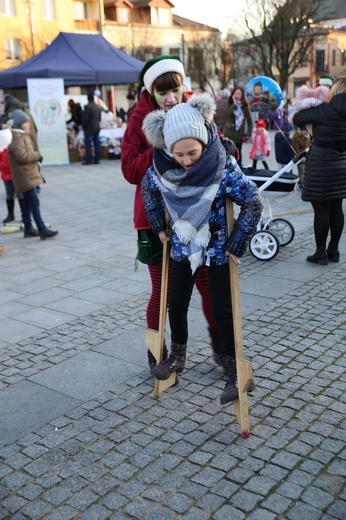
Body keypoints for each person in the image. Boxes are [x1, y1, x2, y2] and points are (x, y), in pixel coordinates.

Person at [141, 93, 262, 403]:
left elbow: (252, 200)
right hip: (182, 244)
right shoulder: (161, 167)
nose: (185, 161)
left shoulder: (222, 165)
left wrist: (237, 243)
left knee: (223, 307)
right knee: (176, 301)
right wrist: (158, 226)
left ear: (203, 141)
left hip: (219, 246)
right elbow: (149, 190)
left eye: (191, 153)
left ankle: (235, 370)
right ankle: (177, 356)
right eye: (178, 154)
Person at [121, 55, 228, 372]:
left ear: (183, 86)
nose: (170, 98)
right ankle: (158, 355)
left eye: (175, 89)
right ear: (151, 91)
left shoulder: (194, 110)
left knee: (208, 287)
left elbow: (214, 146)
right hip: (156, 220)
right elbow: (129, 169)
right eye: (162, 91)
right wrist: (162, 149)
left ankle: (222, 352)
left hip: (197, 216)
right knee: (163, 292)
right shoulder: (140, 118)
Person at [293, 75, 346, 265]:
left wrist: (307, 127)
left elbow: (297, 117)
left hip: (321, 165)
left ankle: (320, 252)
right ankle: (334, 250)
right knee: (336, 207)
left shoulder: (325, 110)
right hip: (341, 164)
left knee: (321, 209)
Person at [7, 109, 58, 239]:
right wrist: (37, 155)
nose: (29, 125)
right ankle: (42, 229)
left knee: (28, 203)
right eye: (26, 122)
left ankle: (28, 229)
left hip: (27, 174)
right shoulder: (17, 138)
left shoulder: (22, 135)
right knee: (34, 201)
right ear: (19, 124)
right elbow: (22, 157)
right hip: (24, 175)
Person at [223, 86, 253, 167]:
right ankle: (228, 169)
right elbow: (227, 113)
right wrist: (234, 104)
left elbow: (250, 121)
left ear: (242, 95)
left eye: (239, 93)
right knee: (228, 152)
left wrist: (248, 133)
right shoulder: (229, 103)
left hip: (240, 134)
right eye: (235, 93)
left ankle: (238, 169)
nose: (237, 95)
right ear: (233, 94)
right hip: (229, 133)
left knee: (238, 152)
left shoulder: (245, 106)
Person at [0, 147, 24, 224]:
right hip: (5, 174)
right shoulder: (2, 145)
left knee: (20, 195)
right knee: (9, 195)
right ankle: (10, 215)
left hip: (16, 173)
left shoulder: (15, 143)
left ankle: (24, 215)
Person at [82, 93, 102, 165]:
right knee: (96, 143)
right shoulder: (97, 107)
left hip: (89, 129)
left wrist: (84, 126)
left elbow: (85, 119)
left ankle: (89, 159)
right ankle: (97, 159)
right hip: (96, 127)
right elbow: (99, 118)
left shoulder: (87, 107)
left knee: (88, 144)